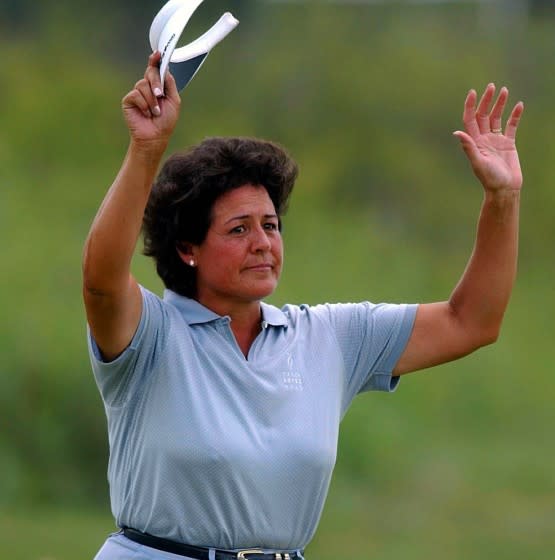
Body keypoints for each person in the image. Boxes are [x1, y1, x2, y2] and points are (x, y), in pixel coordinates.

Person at [82, 51, 524, 560]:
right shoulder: (150, 334)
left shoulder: (330, 336)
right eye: (238, 229)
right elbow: (101, 281)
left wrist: (503, 201)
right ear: (188, 249)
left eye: (270, 225)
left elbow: (471, 321)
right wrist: (146, 149)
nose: (263, 242)